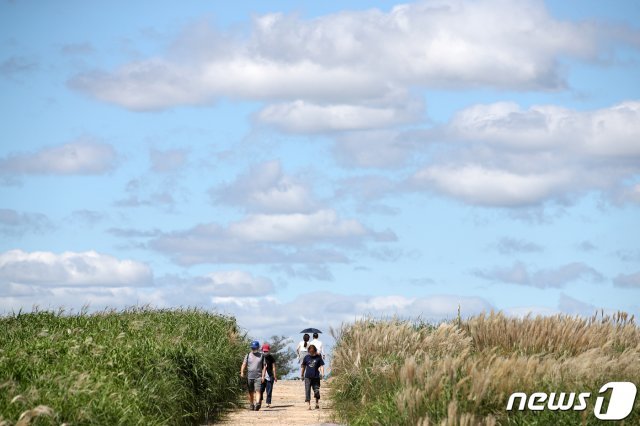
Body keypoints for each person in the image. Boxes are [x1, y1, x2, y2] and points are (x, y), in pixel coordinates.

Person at [240, 340, 264, 411]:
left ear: (258, 348)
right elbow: (244, 364)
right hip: (249, 376)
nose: (254, 349)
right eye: (253, 348)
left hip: (258, 376)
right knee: (251, 391)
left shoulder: (261, 356)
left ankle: (257, 404)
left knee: (258, 390)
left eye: (255, 348)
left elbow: (264, 367)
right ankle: (251, 404)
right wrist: (242, 372)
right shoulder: (247, 355)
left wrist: (263, 376)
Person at [301, 344, 325, 410]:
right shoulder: (306, 357)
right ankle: (308, 405)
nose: (312, 353)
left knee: (316, 390)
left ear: (315, 351)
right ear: (308, 351)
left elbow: (321, 366)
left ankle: (317, 403)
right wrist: (302, 374)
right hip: (307, 377)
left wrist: (323, 374)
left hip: (316, 377)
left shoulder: (318, 357)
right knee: (307, 390)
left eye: (313, 352)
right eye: (310, 352)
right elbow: (303, 366)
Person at [259, 343, 277, 408]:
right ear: (262, 350)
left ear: (269, 351)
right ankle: (259, 402)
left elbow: (274, 367)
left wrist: (275, 376)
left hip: (270, 376)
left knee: (269, 390)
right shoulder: (260, 357)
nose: (265, 352)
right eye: (264, 351)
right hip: (261, 376)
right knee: (260, 390)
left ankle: (268, 403)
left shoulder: (271, 358)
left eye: (266, 351)